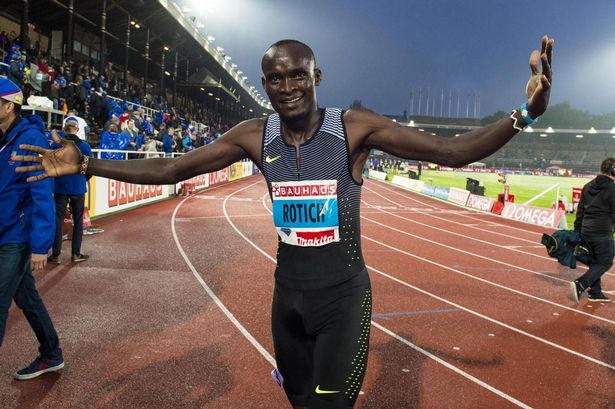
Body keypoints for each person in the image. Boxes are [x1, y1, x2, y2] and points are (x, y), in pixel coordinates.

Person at [15, 37, 553, 408]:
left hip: (343, 298)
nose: (287, 85)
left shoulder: (353, 129)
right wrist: (87, 162)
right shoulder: (255, 135)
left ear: (316, 76)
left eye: (298, 74)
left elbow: (452, 152)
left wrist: (524, 114)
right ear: (266, 85)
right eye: (275, 78)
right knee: (298, 400)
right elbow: (174, 167)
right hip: (286, 299)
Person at [0, 78, 64, 380]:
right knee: (26, 297)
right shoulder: (3, 138)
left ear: (8, 106)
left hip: (17, 235)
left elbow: (42, 194)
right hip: (4, 230)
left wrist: (40, 245)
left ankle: (51, 354)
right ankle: (51, 353)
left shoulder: (32, 140)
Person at [570, 157, 615, 303]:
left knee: (596, 262)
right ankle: (581, 284)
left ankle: (595, 293)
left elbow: (580, 211)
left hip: (586, 230)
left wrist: (577, 232)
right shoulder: (612, 188)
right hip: (602, 232)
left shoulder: (588, 185)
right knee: (605, 262)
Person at [48, 119, 92, 264]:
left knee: (58, 220)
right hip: (78, 187)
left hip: (60, 186)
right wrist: (83, 179)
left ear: (64, 129)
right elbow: (89, 167)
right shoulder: (84, 146)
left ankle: (55, 255)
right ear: (77, 129)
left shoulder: (56, 145)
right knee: (78, 221)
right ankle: (75, 254)